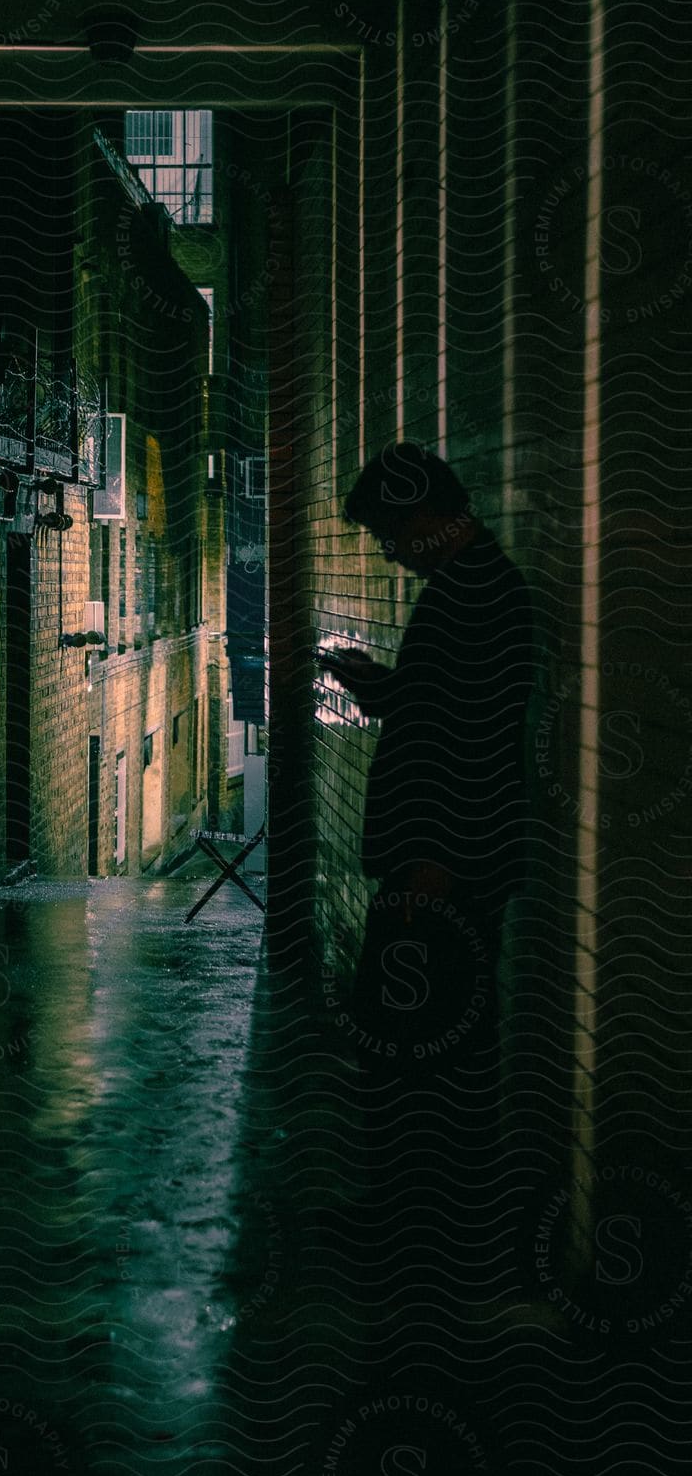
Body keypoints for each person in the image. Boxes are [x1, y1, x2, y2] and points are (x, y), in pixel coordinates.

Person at [321, 444, 535, 1293]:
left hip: (443, 870)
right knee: (420, 1042)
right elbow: (444, 707)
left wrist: (438, 864)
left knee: (418, 1047)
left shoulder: (479, 596)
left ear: (422, 518)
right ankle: (420, 1224)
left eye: (386, 534)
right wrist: (378, 685)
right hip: (440, 863)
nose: (385, 553)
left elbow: (476, 746)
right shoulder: (469, 588)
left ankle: (424, 1234)